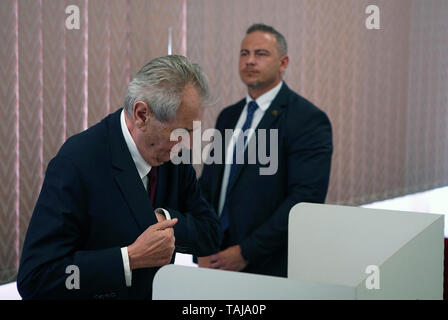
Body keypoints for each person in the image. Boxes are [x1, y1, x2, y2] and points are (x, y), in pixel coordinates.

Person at [17, 55, 221, 299]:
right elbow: (36, 277)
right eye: (181, 131)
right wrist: (128, 258)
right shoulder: (77, 162)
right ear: (142, 115)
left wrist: (165, 221)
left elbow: (210, 234)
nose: (187, 141)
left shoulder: (175, 156)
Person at [198, 24, 333, 277]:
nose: (250, 61)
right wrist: (201, 243)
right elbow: (208, 187)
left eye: (261, 54)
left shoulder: (308, 119)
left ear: (283, 63)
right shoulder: (228, 116)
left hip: (268, 265)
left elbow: (304, 200)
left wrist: (246, 252)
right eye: (244, 53)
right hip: (215, 260)